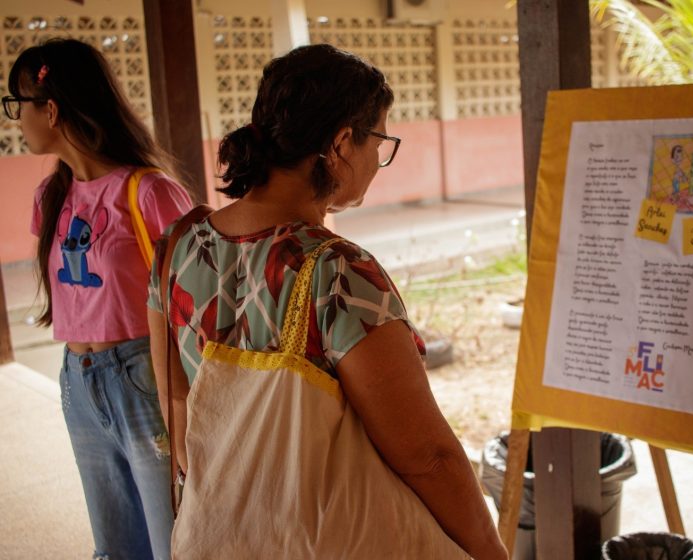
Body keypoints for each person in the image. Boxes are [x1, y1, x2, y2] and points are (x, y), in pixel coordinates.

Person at [147, 44, 508, 559]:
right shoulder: (338, 273)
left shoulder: (175, 244)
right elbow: (427, 458)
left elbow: (178, 400)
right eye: (379, 140)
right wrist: (489, 550)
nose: (379, 160)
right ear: (341, 143)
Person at [7, 38, 194, 559]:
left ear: (51, 109)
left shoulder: (148, 191)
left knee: (173, 538)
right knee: (115, 543)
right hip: (78, 379)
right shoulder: (52, 196)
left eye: (17, 104)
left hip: (143, 376)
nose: (15, 119)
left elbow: (196, 294)